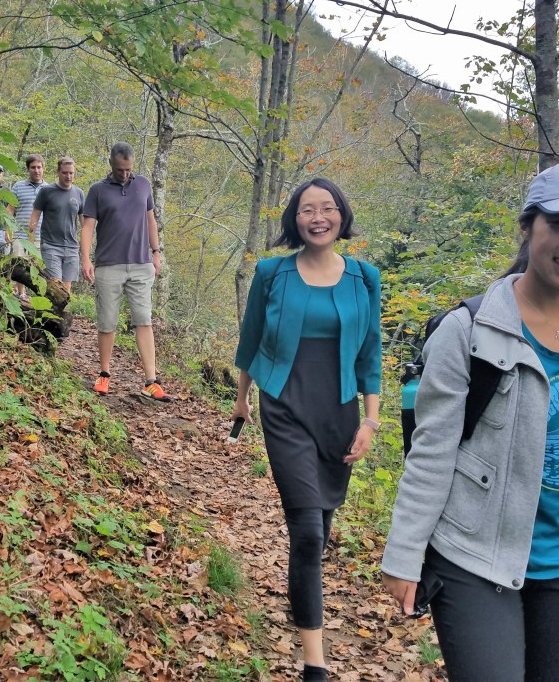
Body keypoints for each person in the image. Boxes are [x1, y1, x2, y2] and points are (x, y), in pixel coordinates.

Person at [382, 165, 559, 682]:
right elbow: (433, 452)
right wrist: (404, 554)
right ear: (528, 228)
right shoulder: (468, 332)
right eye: (557, 224)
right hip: (475, 553)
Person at [232, 178, 381, 682]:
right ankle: (314, 663)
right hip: (284, 408)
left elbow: (371, 353)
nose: (318, 217)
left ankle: (304, 601)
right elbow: (251, 338)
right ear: (294, 220)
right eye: (307, 209)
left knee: (320, 531)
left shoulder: (364, 278)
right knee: (308, 531)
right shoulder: (272, 274)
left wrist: (371, 419)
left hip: (337, 413)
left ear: (342, 214)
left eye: (328, 207)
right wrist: (241, 398)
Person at [80, 142, 171, 401]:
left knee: (144, 320)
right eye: (120, 170)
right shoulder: (97, 190)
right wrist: (86, 259)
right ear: (111, 164)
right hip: (109, 264)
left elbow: (150, 218)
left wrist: (156, 252)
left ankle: (151, 381)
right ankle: (105, 374)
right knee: (107, 321)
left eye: (129, 169)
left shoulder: (142, 184)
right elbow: (87, 227)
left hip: (141, 264)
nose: (125, 174)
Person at [29, 157, 85, 294]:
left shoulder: (79, 193)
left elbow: (85, 225)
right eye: (65, 173)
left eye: (71, 173)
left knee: (66, 289)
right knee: (55, 286)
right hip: (51, 245)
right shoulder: (46, 191)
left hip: (72, 247)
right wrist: (30, 245)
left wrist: (85, 252)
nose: (68, 176)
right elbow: (34, 217)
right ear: (58, 172)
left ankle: (60, 315)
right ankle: (49, 314)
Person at [9, 153, 46, 299]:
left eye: (39, 167)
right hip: (20, 234)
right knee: (19, 265)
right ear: (28, 169)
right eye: (33, 167)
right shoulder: (18, 186)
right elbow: (10, 210)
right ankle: (21, 293)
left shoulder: (49, 189)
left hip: (40, 236)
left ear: (43, 168)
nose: (36, 170)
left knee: (37, 268)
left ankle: (39, 297)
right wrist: (8, 230)